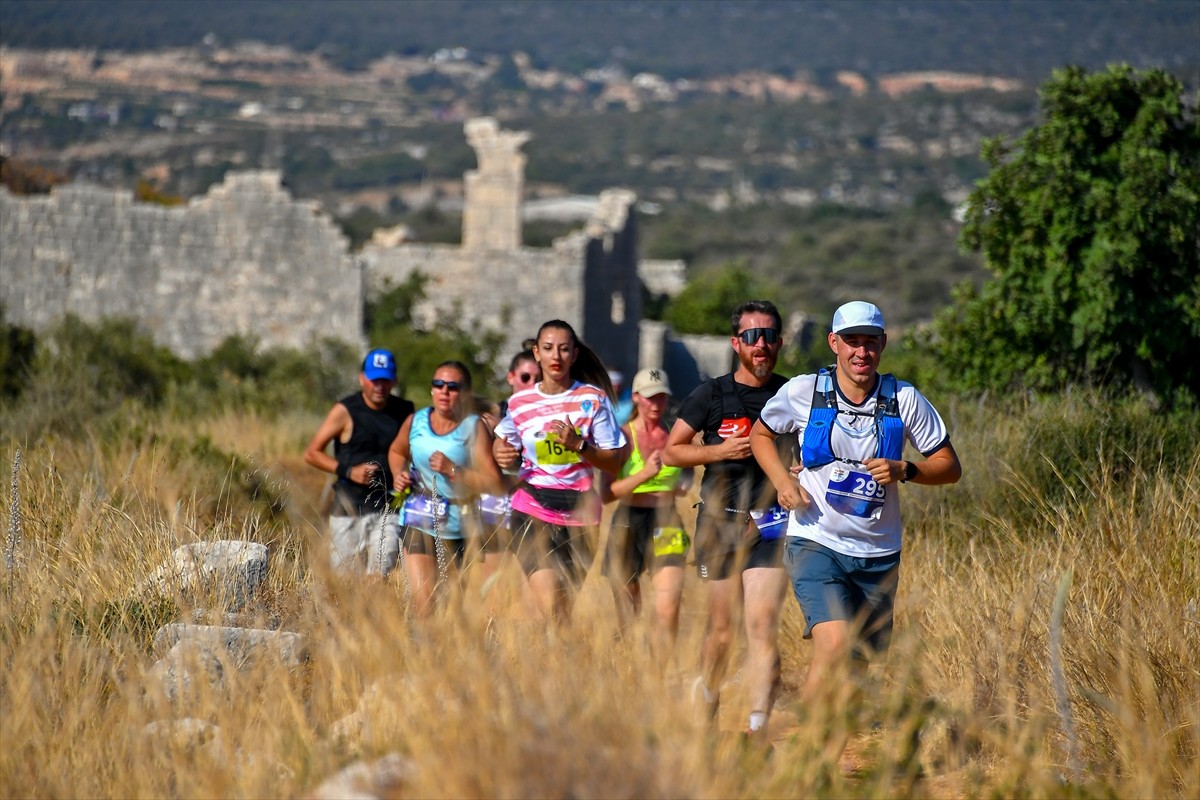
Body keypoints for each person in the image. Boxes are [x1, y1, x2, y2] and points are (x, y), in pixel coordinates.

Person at [750, 300, 962, 751]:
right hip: (815, 538)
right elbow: (760, 434)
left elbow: (948, 466)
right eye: (852, 341)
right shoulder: (805, 391)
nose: (860, 351)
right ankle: (802, 758)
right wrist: (780, 484)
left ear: (883, 344)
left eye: (870, 341)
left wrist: (906, 470)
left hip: (878, 553)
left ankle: (825, 757)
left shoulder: (905, 399)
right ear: (834, 344)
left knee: (857, 667)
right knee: (834, 643)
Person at [661, 300, 790, 740]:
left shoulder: (793, 394)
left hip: (771, 525)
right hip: (718, 524)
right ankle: (709, 702)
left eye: (770, 336)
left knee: (761, 623)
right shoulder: (711, 394)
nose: (763, 345)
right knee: (721, 631)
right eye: (753, 336)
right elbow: (672, 451)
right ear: (737, 343)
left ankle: (757, 731)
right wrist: (719, 451)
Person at [492, 320, 628, 622]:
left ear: (575, 355)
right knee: (549, 601)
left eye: (564, 349)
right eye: (549, 348)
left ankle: (549, 664)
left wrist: (579, 445)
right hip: (532, 507)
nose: (557, 356)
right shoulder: (520, 402)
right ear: (536, 353)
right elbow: (502, 443)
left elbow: (614, 460)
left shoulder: (592, 399)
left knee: (562, 612)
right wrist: (500, 453)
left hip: (580, 513)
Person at [388, 360, 503, 616]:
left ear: (465, 394)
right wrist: (399, 474)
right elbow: (396, 451)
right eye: (438, 384)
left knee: (451, 606)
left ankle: (443, 653)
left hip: (459, 524)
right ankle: (421, 651)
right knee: (424, 603)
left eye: (453, 386)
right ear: (431, 390)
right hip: (418, 516)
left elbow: (494, 483)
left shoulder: (473, 428)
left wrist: (454, 470)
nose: (444, 391)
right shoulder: (416, 421)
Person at [601, 367, 693, 662]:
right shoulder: (622, 437)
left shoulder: (675, 436)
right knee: (627, 609)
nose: (656, 405)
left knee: (669, 606)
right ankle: (624, 667)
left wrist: (682, 485)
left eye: (662, 398)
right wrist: (645, 474)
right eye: (651, 398)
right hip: (628, 520)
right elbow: (606, 493)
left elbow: (689, 473)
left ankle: (659, 671)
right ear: (636, 398)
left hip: (667, 522)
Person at [304, 348, 414, 575]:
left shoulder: (405, 412)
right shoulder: (345, 410)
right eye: (374, 380)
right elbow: (312, 453)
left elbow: (412, 451)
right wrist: (348, 471)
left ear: (394, 380)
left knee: (378, 577)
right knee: (347, 584)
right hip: (348, 509)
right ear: (362, 378)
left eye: (385, 380)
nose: (379, 386)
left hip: (389, 508)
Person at [476, 348, 541, 606]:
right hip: (497, 504)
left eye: (538, 379)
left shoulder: (549, 415)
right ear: (511, 377)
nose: (531, 385)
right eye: (526, 378)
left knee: (533, 584)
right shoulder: (492, 416)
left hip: (535, 505)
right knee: (493, 585)